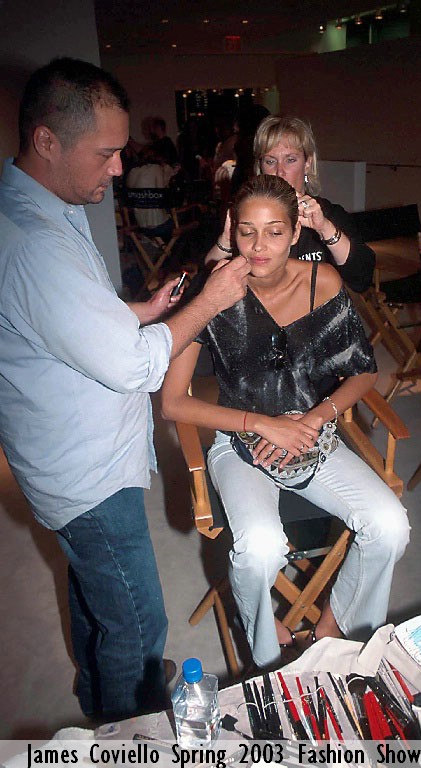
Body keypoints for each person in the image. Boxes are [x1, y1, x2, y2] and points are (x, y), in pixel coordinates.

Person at [0, 57, 250, 720]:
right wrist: (208, 302)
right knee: (137, 624)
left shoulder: (37, 206)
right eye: (105, 153)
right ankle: (126, 725)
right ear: (47, 141)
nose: (118, 169)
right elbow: (137, 369)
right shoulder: (34, 243)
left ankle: (97, 689)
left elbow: (60, 320)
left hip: (61, 458)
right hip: (87, 476)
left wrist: (139, 311)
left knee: (93, 590)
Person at [161, 174, 410, 670]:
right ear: (231, 229)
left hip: (312, 436)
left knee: (390, 526)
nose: (259, 247)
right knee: (259, 549)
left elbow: (363, 371)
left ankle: (332, 629)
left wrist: (314, 419)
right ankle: (269, 655)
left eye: (275, 232)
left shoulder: (323, 281)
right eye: (247, 231)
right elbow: (172, 403)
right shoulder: (211, 291)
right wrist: (261, 424)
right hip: (239, 442)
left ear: (297, 232)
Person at [206, 115, 375, 294]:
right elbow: (206, 286)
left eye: (290, 160)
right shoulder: (247, 215)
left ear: (307, 163)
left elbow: (362, 278)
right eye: (270, 161)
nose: (280, 171)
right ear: (260, 167)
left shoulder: (328, 214)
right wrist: (227, 240)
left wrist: (324, 228)